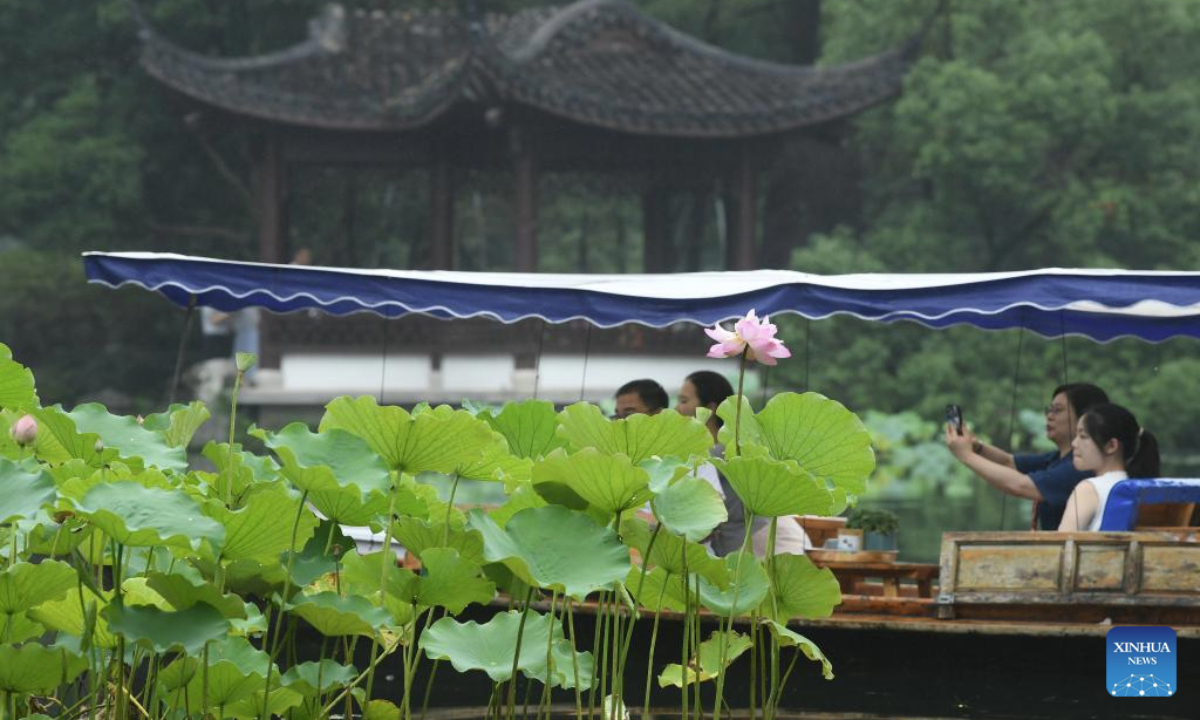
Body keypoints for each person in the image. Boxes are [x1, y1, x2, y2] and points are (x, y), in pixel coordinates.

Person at [675, 370, 811, 557]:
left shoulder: (721, 452)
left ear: (711, 407)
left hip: (771, 542)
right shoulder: (720, 449)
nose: (676, 409)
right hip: (751, 543)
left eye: (683, 401)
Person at [946, 383, 1109, 530]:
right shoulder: (1056, 459)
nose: (1049, 416)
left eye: (1058, 410)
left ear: (1085, 418)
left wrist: (965, 455)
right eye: (1049, 410)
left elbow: (1021, 486)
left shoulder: (1082, 466)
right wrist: (976, 446)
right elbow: (1008, 462)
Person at [1058, 403, 1160, 531]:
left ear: (1111, 446)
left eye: (1083, 436)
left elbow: (1062, 545)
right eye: (1076, 436)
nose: (1074, 443)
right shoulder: (1147, 488)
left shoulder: (1088, 489)